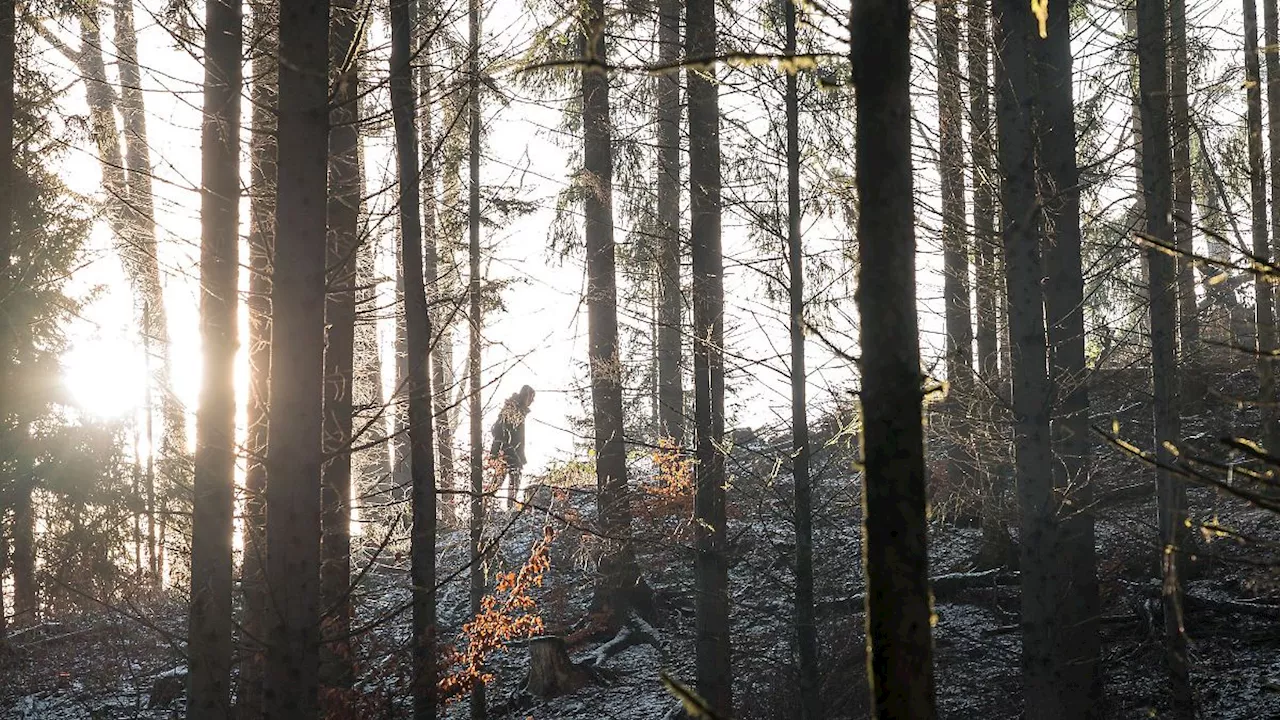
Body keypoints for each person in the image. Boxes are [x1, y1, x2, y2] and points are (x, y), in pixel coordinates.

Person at [490, 384, 535, 505]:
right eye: (532, 397)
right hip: (508, 450)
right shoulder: (512, 410)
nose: (532, 401)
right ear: (526, 396)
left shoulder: (517, 410)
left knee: (503, 478)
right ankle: (507, 507)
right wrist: (500, 450)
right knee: (509, 478)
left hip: (512, 451)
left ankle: (488, 504)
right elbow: (498, 430)